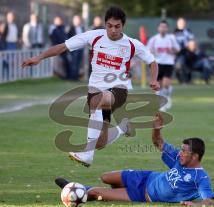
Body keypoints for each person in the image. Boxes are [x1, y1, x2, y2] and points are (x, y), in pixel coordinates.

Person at [22, 6, 159, 167]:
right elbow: (64, 46)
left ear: (123, 26)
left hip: (120, 90)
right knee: (100, 143)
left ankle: (87, 154)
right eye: (109, 26)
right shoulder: (94, 36)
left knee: (97, 101)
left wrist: (155, 80)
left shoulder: (131, 44)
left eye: (117, 26)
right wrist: (39, 57)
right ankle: (123, 128)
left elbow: (152, 62)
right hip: (96, 91)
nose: (113, 30)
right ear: (105, 24)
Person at [55, 112, 214, 206]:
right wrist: (156, 128)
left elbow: (209, 201)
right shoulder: (179, 158)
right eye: (180, 149)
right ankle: (79, 190)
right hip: (145, 177)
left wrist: (195, 204)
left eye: (184, 151)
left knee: (96, 192)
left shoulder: (200, 178)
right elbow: (158, 142)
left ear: (195, 156)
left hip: (142, 195)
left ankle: (74, 189)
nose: (180, 153)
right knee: (105, 177)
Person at [147, 20, 180, 111]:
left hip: (168, 63)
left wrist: (172, 51)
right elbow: (147, 51)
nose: (163, 29)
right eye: (161, 27)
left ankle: (167, 97)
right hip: (157, 64)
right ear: (158, 28)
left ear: (167, 29)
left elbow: (178, 49)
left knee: (166, 84)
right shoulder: (154, 39)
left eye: (165, 27)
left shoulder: (171, 38)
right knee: (158, 86)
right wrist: (151, 53)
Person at [174, 17, 195, 84]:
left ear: (185, 23)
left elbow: (192, 42)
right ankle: (182, 80)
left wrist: (189, 46)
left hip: (185, 52)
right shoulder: (174, 32)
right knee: (178, 66)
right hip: (176, 53)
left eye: (183, 22)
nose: (181, 24)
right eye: (180, 22)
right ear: (177, 23)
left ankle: (186, 80)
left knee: (182, 64)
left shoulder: (188, 32)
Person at [67, 15, 85, 80]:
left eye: (78, 20)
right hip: (74, 48)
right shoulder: (71, 28)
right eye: (76, 20)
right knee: (74, 63)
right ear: (73, 21)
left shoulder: (82, 28)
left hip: (81, 48)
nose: (77, 21)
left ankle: (76, 76)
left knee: (78, 63)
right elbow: (68, 37)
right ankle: (72, 77)